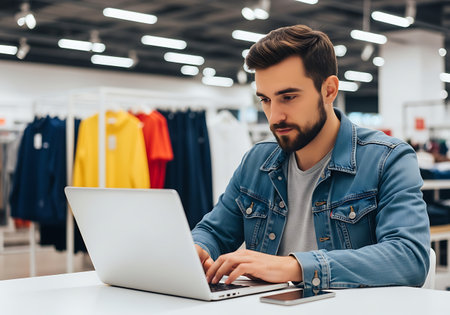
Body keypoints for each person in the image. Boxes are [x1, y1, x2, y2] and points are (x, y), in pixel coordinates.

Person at [192, 24, 430, 290]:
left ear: (329, 90)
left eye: (289, 97)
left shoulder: (388, 159)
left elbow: (409, 258)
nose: (274, 116)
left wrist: (294, 267)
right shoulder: (256, 162)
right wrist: (197, 249)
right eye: (266, 100)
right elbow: (213, 231)